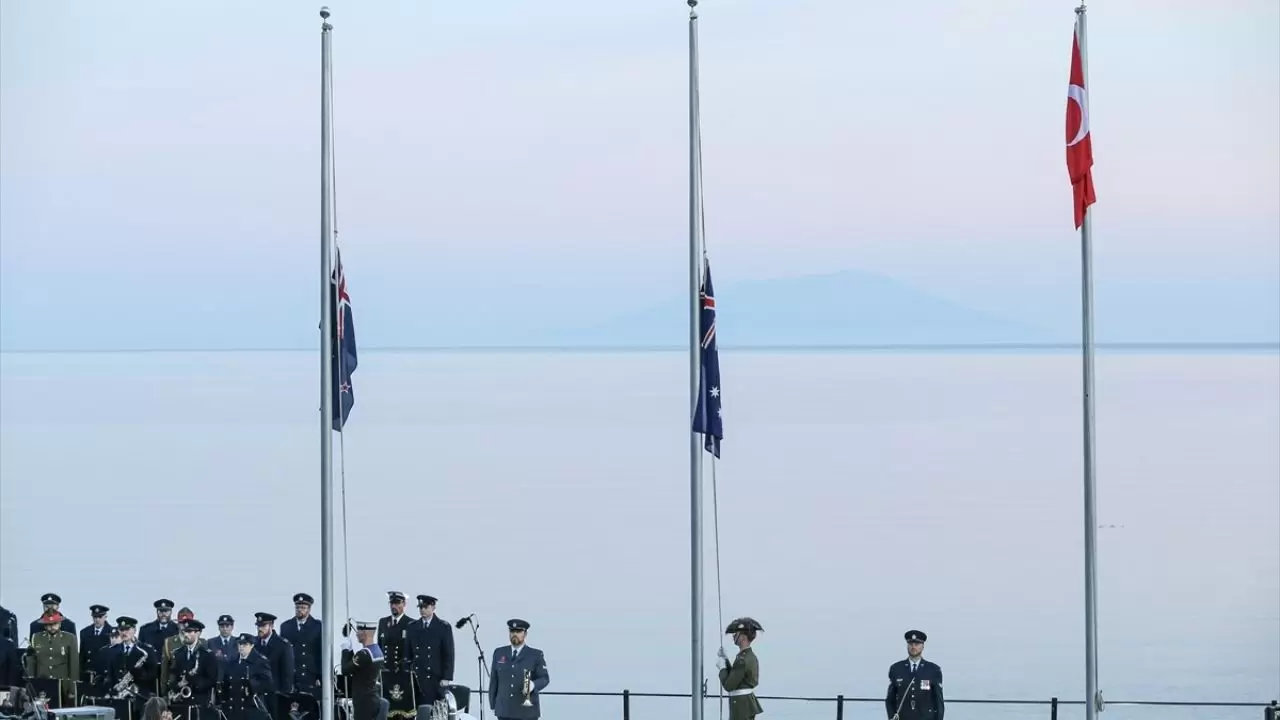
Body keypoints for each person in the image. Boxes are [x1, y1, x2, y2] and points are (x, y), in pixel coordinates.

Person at [487, 619, 548, 720]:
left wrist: (533, 685)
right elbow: (494, 680)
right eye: (512, 631)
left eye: (518, 631)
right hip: (504, 710)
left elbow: (545, 678)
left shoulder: (535, 655)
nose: (515, 634)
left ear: (525, 634)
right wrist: (493, 704)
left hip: (526, 712)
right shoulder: (499, 653)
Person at [403, 595, 454, 707]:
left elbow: (448, 654)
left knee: (431, 710)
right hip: (417, 677)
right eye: (420, 607)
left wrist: (447, 677)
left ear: (433, 607)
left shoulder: (443, 627)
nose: (422, 610)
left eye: (425, 607)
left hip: (435, 678)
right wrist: (406, 673)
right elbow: (407, 654)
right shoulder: (412, 627)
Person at [884, 630, 944, 720]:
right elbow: (890, 700)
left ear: (923, 646)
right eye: (911, 644)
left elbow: (939, 701)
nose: (913, 647)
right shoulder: (896, 669)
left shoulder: (933, 669)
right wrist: (892, 717)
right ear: (907, 646)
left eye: (917, 644)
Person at [25, 610, 79, 707]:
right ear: (45, 625)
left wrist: (72, 689)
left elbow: (74, 664)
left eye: (55, 624)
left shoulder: (69, 638)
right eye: (49, 624)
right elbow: (32, 662)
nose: (52, 627)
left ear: (60, 624)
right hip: (42, 683)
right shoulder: (36, 638)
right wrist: (32, 684)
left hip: (62, 685)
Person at [167, 619, 219, 720]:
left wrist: (195, 683)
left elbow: (212, 679)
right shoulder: (178, 653)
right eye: (185, 631)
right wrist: (176, 686)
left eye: (189, 632)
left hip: (199, 703)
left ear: (198, 633)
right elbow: (172, 674)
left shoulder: (207, 654)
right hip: (181, 702)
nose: (186, 634)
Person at [218, 633, 273, 720]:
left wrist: (251, 684)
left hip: (251, 709)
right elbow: (226, 683)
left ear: (252, 645)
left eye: (245, 644)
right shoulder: (232, 662)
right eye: (240, 644)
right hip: (233, 709)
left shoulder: (260, 661)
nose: (241, 647)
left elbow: (268, 683)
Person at [716, 617, 763, 720]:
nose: (734, 636)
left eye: (736, 633)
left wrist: (722, 669)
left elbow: (729, 685)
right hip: (746, 702)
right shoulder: (748, 656)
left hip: (741, 704)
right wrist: (726, 660)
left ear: (743, 637)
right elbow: (736, 675)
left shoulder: (742, 659)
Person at [340, 621, 388, 720]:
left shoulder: (364, 654)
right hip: (373, 697)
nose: (356, 634)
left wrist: (345, 649)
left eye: (358, 631)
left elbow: (345, 670)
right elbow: (357, 666)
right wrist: (351, 650)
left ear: (364, 633)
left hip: (363, 701)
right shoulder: (377, 651)